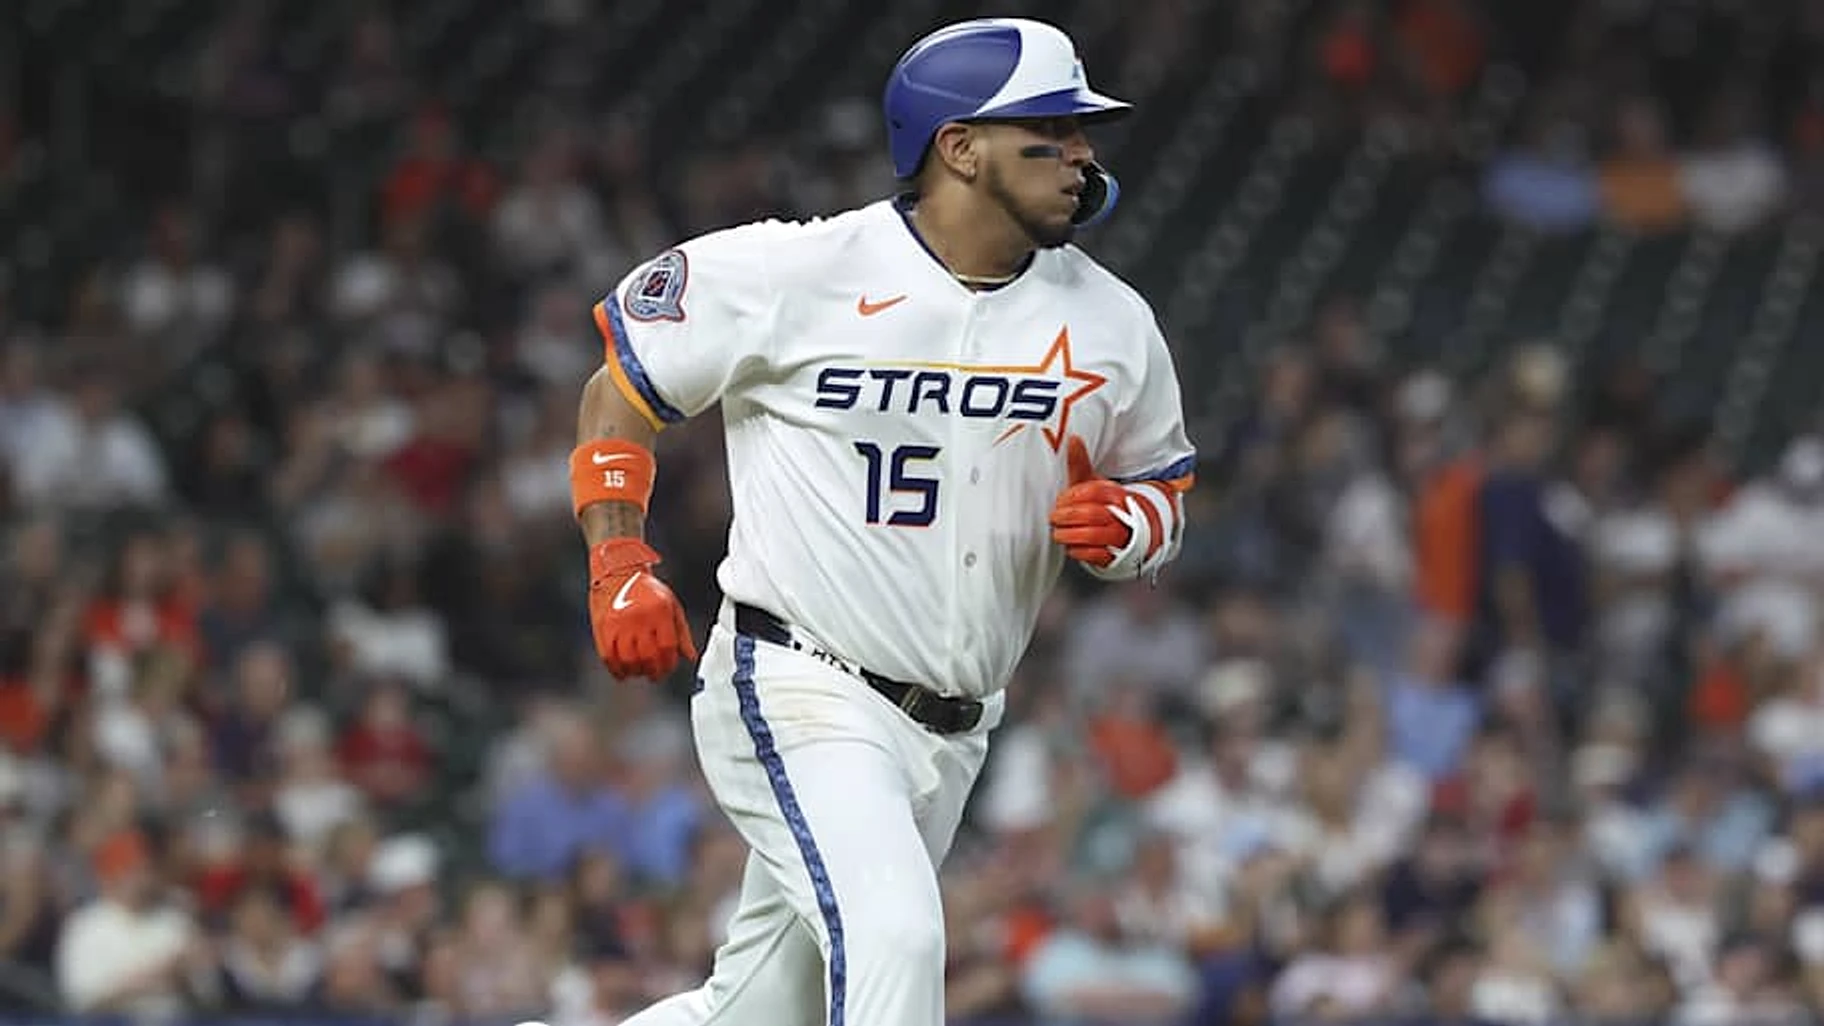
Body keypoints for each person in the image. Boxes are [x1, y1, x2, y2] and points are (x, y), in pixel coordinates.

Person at [570, 18, 1196, 1026]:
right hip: (801, 678)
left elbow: (1162, 489)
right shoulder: (798, 270)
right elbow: (620, 391)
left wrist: (1133, 529)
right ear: (960, 147)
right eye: (1050, 130)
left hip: (957, 725)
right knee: (898, 939)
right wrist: (619, 562)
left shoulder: (1114, 320)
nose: (1082, 152)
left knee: (754, 1015)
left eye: (1081, 131)